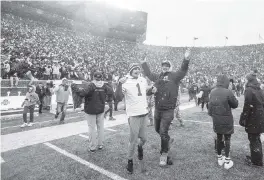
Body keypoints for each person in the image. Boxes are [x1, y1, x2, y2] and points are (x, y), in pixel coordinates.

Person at [141, 49, 191, 166]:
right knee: (157, 130)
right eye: (163, 65)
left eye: (167, 65)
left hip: (168, 110)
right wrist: (143, 62)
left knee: (163, 132)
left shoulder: (174, 76)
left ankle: (164, 155)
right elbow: (148, 74)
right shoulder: (158, 76)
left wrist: (186, 59)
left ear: (170, 67)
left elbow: (183, 70)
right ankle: (167, 140)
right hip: (158, 109)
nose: (165, 67)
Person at [118, 63, 150, 174]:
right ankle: (130, 161)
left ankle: (140, 148)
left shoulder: (143, 80)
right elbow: (118, 97)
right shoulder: (125, 81)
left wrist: (152, 90)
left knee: (144, 139)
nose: (137, 70)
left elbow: (145, 92)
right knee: (133, 140)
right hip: (134, 115)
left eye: (138, 68)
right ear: (130, 71)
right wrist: (119, 84)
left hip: (144, 114)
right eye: (135, 69)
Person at [71, 72, 113, 152]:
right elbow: (111, 92)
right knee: (100, 128)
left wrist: (75, 87)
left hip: (90, 109)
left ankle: (92, 147)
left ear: (93, 77)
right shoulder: (104, 85)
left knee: (92, 128)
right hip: (100, 109)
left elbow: (82, 93)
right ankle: (100, 144)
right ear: (101, 77)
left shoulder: (91, 85)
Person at [208, 75, 238, 170]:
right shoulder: (228, 91)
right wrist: (234, 96)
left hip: (216, 119)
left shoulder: (212, 91)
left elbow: (210, 107)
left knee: (219, 137)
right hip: (226, 119)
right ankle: (227, 161)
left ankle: (220, 157)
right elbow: (235, 104)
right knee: (227, 138)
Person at [240, 73, 264, 167]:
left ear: (249, 80)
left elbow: (247, 105)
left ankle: (256, 162)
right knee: (256, 137)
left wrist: (243, 118)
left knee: (253, 138)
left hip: (253, 117)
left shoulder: (249, 90)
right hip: (260, 115)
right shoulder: (260, 89)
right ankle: (257, 158)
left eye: (246, 79)